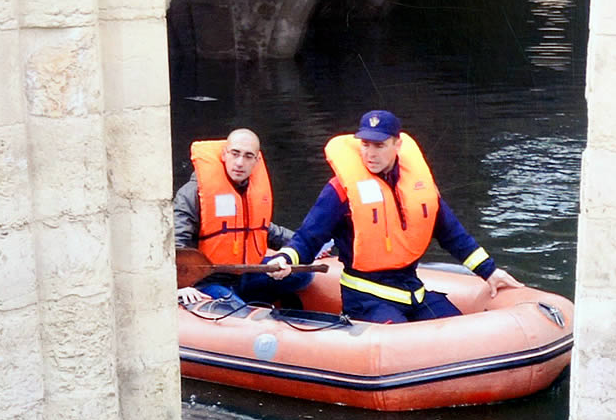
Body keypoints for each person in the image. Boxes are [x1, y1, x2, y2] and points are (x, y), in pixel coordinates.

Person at [265, 110, 522, 323]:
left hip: (413, 291)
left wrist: (489, 271)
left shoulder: (418, 186)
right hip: (365, 297)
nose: (370, 154)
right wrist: (286, 258)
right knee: (408, 345)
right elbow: (309, 237)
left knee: (460, 333)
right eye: (365, 145)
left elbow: (452, 235)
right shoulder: (341, 190)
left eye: (379, 145)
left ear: (397, 145)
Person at [174, 128, 313, 306]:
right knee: (238, 313)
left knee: (303, 275)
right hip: (208, 279)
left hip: (246, 272)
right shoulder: (192, 194)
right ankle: (246, 310)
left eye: (248, 156)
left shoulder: (250, 192)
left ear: (256, 161)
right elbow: (177, 243)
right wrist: (179, 284)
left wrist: (303, 245)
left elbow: (266, 230)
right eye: (235, 154)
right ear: (224, 155)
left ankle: (257, 301)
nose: (240, 162)